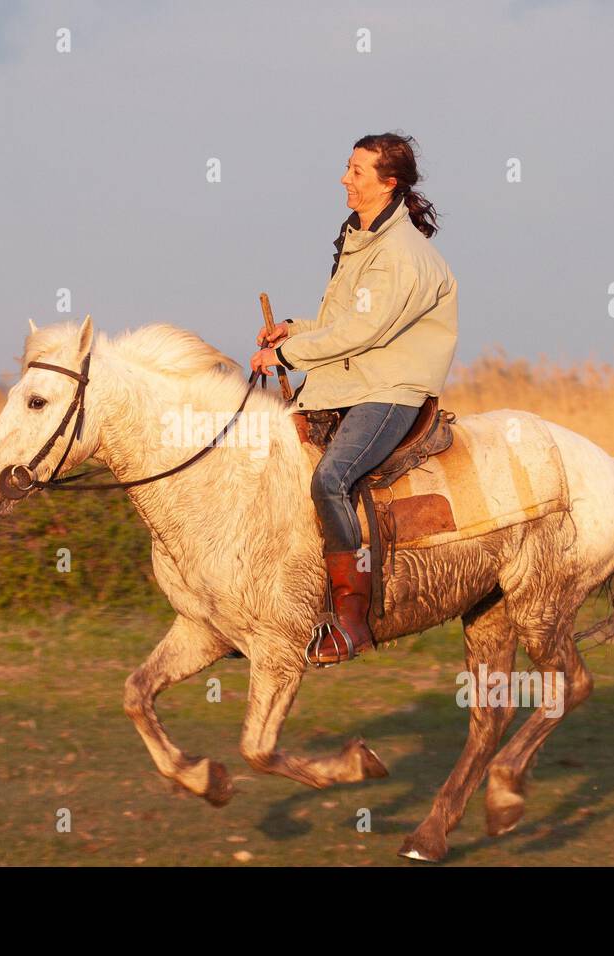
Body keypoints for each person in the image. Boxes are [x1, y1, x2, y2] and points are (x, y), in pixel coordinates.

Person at [250, 132, 458, 667]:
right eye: (348, 167)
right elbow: (341, 322)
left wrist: (289, 357)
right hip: (350, 382)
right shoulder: (359, 239)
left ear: (389, 184)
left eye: (358, 171)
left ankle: (351, 622)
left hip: (390, 389)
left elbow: (365, 330)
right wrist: (293, 330)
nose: (345, 178)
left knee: (330, 478)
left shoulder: (403, 254)